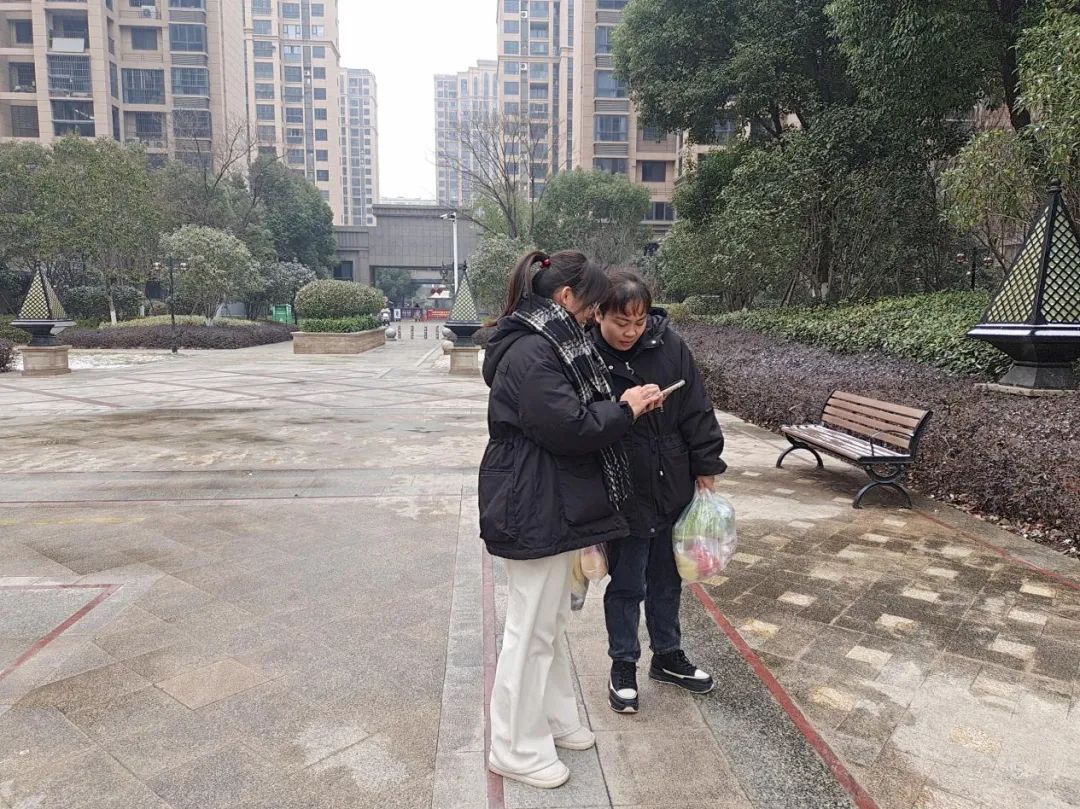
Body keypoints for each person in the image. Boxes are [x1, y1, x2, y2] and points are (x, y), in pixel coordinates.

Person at [479, 251, 662, 789]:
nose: (593, 317)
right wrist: (625, 409)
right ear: (566, 297)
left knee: (550, 622)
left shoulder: (550, 341)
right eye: (593, 306)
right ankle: (513, 746)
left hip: (548, 496)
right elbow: (569, 427)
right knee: (530, 629)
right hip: (532, 499)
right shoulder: (534, 350)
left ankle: (554, 720)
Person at [591, 270, 726, 714]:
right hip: (622, 481)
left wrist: (706, 465)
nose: (631, 332)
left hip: (672, 476)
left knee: (668, 577)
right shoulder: (587, 354)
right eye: (620, 322)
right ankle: (623, 663)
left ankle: (667, 655)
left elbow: (697, 408)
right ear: (598, 315)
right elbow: (580, 419)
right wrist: (624, 407)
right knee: (628, 582)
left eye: (639, 321)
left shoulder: (670, 345)